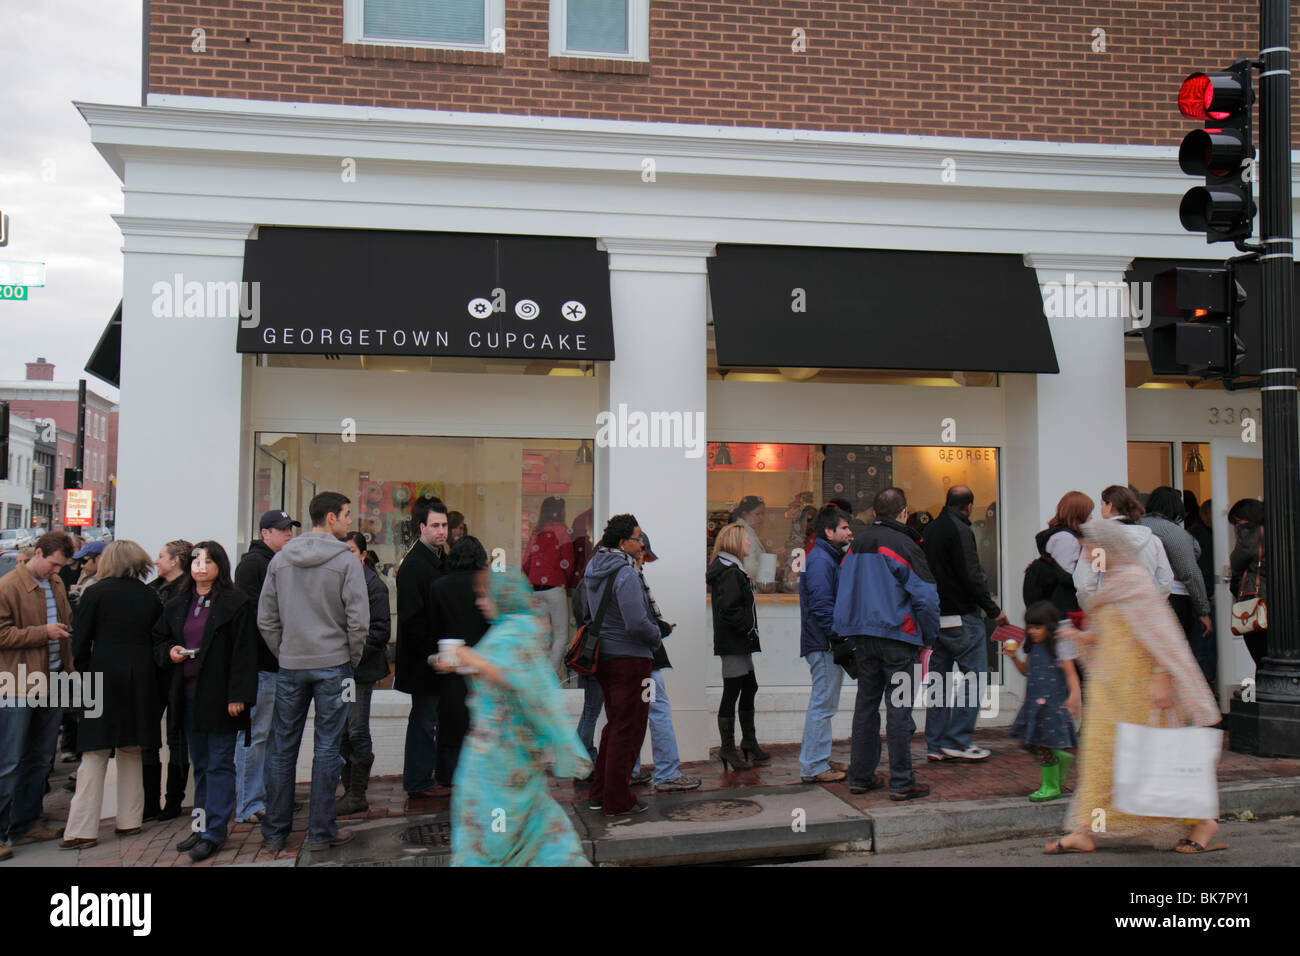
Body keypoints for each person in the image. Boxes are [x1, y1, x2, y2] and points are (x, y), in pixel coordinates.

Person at [1044, 517, 1223, 855]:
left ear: (1108, 549)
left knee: (1150, 764)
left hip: (1138, 691)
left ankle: (1201, 821)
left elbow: (1161, 635)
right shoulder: (1111, 584)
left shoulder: (1136, 582)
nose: (1086, 555)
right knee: (1099, 761)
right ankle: (1086, 829)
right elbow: (1112, 631)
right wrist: (1081, 636)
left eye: (1091, 549)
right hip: (1110, 689)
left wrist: (1161, 677)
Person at [435, 568, 590, 866]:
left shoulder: (514, 633)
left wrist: (471, 658)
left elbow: (515, 676)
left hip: (500, 765)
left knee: (495, 837)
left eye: (485, 594)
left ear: (502, 596)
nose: (480, 602)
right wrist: (461, 665)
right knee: (538, 833)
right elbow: (505, 674)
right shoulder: (516, 629)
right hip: (512, 760)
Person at [258, 491, 368, 852]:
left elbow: (267, 619)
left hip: (292, 664)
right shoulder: (347, 561)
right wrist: (349, 657)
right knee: (327, 747)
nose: (351, 521)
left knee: (281, 748)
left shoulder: (281, 560)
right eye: (347, 514)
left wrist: (285, 651)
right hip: (332, 663)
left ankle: (275, 832)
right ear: (331, 518)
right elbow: (358, 620)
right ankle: (321, 831)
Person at [153, 541, 259, 862]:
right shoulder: (178, 602)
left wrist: (239, 695)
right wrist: (170, 652)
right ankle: (200, 826)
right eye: (196, 560)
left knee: (219, 764)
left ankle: (214, 831)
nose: (201, 566)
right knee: (198, 764)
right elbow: (160, 639)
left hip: (220, 696)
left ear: (220, 566)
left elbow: (244, 652)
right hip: (187, 695)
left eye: (208, 561)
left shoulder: (235, 603)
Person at [834, 488, 939, 800]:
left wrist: (847, 631)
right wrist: (929, 636)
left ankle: (861, 777)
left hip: (862, 636)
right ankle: (902, 782)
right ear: (903, 512)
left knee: (866, 705)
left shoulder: (856, 545)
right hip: (898, 637)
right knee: (899, 709)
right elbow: (926, 598)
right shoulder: (905, 544)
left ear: (874, 512)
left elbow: (844, 589)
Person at [59, 541, 163, 850]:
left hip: (100, 676)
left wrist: (84, 669)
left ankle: (82, 829)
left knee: (94, 753)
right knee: (131, 749)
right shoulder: (150, 596)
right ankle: (130, 820)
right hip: (141, 678)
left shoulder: (95, 593)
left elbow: (81, 642)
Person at [0, 531, 75, 861]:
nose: (57, 571)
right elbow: (2, 635)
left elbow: (66, 625)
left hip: (53, 679)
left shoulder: (55, 584)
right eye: (54, 565)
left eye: (61, 567)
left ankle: (26, 822)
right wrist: (42, 633)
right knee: (9, 760)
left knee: (41, 756)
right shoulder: (8, 586)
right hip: (17, 681)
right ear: (39, 553)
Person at [921, 486, 1008, 762]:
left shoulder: (931, 530)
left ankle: (935, 744)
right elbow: (972, 575)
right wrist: (993, 610)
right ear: (968, 506)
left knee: (939, 681)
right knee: (974, 677)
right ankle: (958, 740)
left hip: (937, 617)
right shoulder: (960, 530)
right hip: (963, 617)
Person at [582, 514, 660, 815]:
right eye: (637, 538)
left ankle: (600, 793)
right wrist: (656, 634)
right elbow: (637, 623)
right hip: (631, 659)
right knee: (628, 729)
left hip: (606, 657)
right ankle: (617, 799)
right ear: (622, 541)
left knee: (615, 726)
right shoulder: (625, 573)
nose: (641, 543)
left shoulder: (594, 568)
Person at [232, 509, 300, 825]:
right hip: (260, 665)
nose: (288, 534)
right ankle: (249, 802)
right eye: (282, 529)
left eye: (290, 529)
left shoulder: (275, 563)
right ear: (265, 533)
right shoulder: (254, 566)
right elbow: (263, 618)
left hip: (275, 664)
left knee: (270, 735)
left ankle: (268, 797)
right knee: (256, 735)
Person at [628, 532, 699, 791]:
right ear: (637, 549)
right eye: (644, 556)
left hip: (629, 660)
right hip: (645, 661)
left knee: (633, 716)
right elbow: (640, 621)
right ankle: (667, 772)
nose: (645, 562)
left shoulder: (612, 575)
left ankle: (631, 770)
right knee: (658, 713)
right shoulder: (630, 577)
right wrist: (660, 630)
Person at [394, 496, 449, 796]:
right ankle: (417, 780)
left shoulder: (440, 558)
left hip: (438, 657)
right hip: (424, 659)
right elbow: (412, 619)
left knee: (433, 719)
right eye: (436, 526)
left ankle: (428, 776)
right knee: (424, 720)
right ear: (422, 527)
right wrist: (432, 655)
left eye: (445, 525)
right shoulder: (415, 565)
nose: (442, 531)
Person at [336, 531, 392, 815]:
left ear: (362, 554)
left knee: (357, 727)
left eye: (351, 551)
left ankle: (358, 793)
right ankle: (350, 793)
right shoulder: (336, 581)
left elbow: (381, 631)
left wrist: (352, 653)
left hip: (361, 669)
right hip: (339, 669)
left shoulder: (374, 586)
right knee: (342, 730)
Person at [429, 535, 490, 793]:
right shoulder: (487, 587)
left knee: (451, 719)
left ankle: (448, 773)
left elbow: (433, 626)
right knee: (480, 718)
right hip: (483, 661)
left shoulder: (439, 586)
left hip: (452, 659)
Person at [1003, 601, 1080, 804]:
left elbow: (1071, 675)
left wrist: (1074, 697)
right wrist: (1013, 657)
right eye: (1030, 627)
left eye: (1038, 627)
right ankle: (1060, 760)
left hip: (1052, 705)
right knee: (1029, 742)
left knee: (1043, 746)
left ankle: (1051, 786)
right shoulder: (1032, 648)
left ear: (1050, 626)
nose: (1033, 632)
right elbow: (1025, 671)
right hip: (1033, 704)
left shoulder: (1059, 648)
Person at [798, 505, 853, 784]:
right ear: (829, 531)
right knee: (822, 704)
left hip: (825, 643)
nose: (849, 532)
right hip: (824, 645)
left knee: (825, 703)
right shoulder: (821, 560)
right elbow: (821, 605)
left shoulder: (825, 557)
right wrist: (838, 637)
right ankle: (813, 765)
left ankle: (819, 757)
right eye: (844, 528)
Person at [1142, 487, 1214, 691]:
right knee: (1173, 653)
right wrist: (1203, 610)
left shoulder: (1137, 526)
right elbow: (1190, 573)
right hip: (1174, 598)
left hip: (1141, 598)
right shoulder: (1173, 533)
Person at [706, 521, 764, 772]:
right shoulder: (730, 571)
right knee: (733, 690)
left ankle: (748, 740)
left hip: (739, 641)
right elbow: (730, 609)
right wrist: (747, 628)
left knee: (749, 686)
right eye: (746, 539)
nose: (750, 543)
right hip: (734, 642)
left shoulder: (731, 569)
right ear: (735, 543)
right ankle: (728, 747)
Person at [143, 539, 193, 822]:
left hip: (178, 672)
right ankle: (151, 802)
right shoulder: (151, 591)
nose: (156, 561)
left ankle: (173, 800)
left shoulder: (190, 591)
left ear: (175, 561)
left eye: (161, 556)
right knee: (151, 737)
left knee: (177, 737)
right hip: (154, 670)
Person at [1073, 485, 1173, 600]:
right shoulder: (1153, 541)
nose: (1101, 509)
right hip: (1143, 610)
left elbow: (1085, 584)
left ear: (1109, 505)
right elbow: (1165, 581)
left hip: (1110, 612)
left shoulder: (1099, 541)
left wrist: (1094, 609)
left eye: (1101, 505)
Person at [523, 496, 577, 682]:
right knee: (561, 635)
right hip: (555, 588)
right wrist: (566, 579)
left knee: (542, 637)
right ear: (560, 511)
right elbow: (568, 563)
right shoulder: (562, 532)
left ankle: (539, 676)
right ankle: (550, 677)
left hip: (535, 589)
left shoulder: (536, 532)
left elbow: (526, 562)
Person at [1025, 491, 1093, 618]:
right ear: (1079, 514)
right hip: (1063, 609)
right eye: (1089, 513)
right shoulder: (1066, 539)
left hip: (1058, 606)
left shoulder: (1063, 536)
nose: (1091, 517)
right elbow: (1067, 575)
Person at [1228, 498, 1267, 672]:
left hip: (1258, 600)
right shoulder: (1277, 529)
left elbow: (1236, 562)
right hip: (1282, 603)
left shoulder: (1250, 534)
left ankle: (1258, 696)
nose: (1236, 527)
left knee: (1260, 656)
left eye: (1237, 522)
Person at [730, 496, 767, 580]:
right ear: (744, 514)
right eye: (757, 514)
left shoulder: (745, 530)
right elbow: (750, 568)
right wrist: (768, 572)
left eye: (763, 514)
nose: (761, 518)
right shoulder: (745, 533)